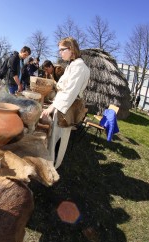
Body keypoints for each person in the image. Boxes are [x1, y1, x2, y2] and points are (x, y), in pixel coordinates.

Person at [41, 37, 90, 169]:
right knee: (53, 138)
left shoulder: (79, 68)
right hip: (61, 106)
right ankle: (50, 164)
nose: (60, 53)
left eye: (62, 50)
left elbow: (70, 93)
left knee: (60, 140)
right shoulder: (72, 66)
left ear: (71, 49)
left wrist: (52, 107)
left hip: (67, 109)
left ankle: (54, 167)